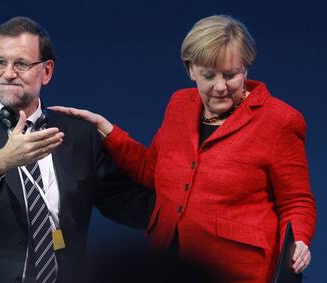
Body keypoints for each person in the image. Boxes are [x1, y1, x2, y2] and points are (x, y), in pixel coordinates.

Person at [50, 15, 317, 282]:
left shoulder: (280, 120)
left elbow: (297, 201)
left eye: (231, 74)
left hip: (238, 271)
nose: (220, 86)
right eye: (208, 75)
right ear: (190, 69)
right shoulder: (179, 104)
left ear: (246, 68)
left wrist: (301, 240)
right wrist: (106, 129)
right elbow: (150, 171)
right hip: (169, 262)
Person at [0, 16, 155, 283]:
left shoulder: (77, 134)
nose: (8, 73)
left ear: (47, 71)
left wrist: (191, 212)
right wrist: (1, 162)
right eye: (0, 62)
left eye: (21, 63)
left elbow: (123, 202)